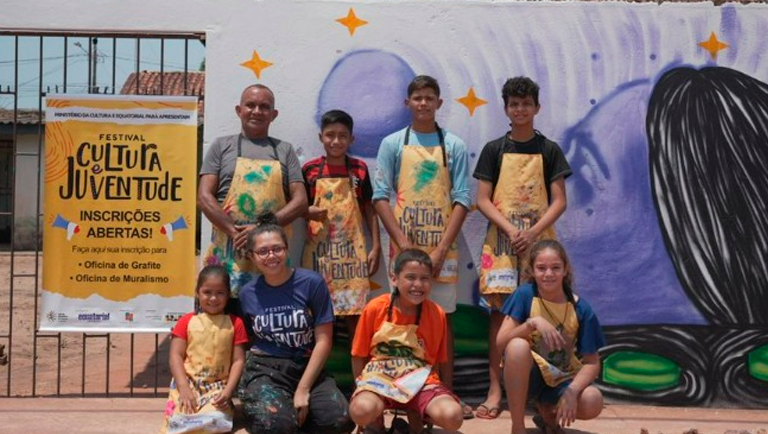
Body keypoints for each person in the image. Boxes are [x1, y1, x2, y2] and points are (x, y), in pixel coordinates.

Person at [472, 76, 572, 419]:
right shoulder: (494, 150)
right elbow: (482, 200)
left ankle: (541, 393)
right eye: (514, 104)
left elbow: (559, 201)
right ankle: (495, 389)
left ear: (537, 108)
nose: (520, 109)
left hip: (539, 247)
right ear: (506, 109)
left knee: (542, 314)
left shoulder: (549, 150)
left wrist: (533, 233)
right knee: (499, 316)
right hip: (501, 246)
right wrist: (513, 230)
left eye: (526, 104)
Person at [372, 75, 472, 418]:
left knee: (443, 321)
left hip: (443, 250)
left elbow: (462, 198)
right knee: (402, 321)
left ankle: (447, 392)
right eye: (418, 97)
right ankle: (398, 392)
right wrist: (402, 243)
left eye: (430, 98)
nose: (424, 103)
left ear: (439, 103)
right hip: (404, 251)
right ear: (408, 103)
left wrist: (441, 249)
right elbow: (380, 197)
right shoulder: (392, 144)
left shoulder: (454, 146)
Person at [237, 213, 354, 434]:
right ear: (252, 256)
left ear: (287, 249)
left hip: (307, 366)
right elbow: (249, 339)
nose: (271, 255)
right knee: (276, 425)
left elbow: (324, 340)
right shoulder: (247, 293)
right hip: (266, 369)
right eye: (263, 251)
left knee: (340, 419)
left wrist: (303, 389)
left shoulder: (312, 283)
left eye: (277, 249)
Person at [198, 84, 308, 295]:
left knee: (269, 309)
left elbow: (300, 201)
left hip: (270, 257)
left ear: (273, 115)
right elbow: (204, 197)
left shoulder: (285, 151)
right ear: (239, 110)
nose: (257, 111)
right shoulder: (221, 146)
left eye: (264, 107)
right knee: (226, 310)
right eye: (250, 105)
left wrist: (260, 229)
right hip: (228, 252)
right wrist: (235, 232)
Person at [349, 249, 464, 434]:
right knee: (361, 410)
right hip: (379, 379)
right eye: (410, 277)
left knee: (453, 416)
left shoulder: (436, 313)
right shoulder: (375, 308)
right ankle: (375, 421)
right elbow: (358, 355)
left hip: (420, 381)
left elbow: (434, 361)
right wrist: (361, 387)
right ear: (394, 279)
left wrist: (427, 398)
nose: (418, 285)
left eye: (424, 278)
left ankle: (416, 415)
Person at [497, 240, 604, 434]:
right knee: (517, 346)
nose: (548, 274)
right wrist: (531, 324)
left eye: (555, 268)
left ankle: (548, 412)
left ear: (565, 270)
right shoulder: (524, 295)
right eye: (541, 268)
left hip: (561, 379)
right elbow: (501, 342)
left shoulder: (581, 309)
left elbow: (592, 363)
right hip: (527, 378)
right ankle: (518, 427)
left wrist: (572, 391)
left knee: (593, 400)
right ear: (532, 270)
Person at [301, 109, 381, 343]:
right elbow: (297, 207)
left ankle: (358, 366)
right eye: (330, 135)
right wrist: (307, 212)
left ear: (351, 139)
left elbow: (369, 209)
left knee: (355, 314)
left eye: (342, 136)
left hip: (351, 257)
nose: (336, 141)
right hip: (320, 255)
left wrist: (376, 247)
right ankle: (318, 365)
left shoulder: (359, 170)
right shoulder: (310, 170)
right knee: (318, 315)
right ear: (321, 137)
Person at [160, 265, 248, 434]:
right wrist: (183, 388)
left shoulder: (235, 323)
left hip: (217, 389)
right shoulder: (186, 321)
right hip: (188, 386)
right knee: (178, 421)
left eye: (220, 293)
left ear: (228, 295)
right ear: (197, 293)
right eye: (207, 292)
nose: (213, 298)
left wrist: (228, 392)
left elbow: (238, 360)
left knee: (215, 420)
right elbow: (175, 356)